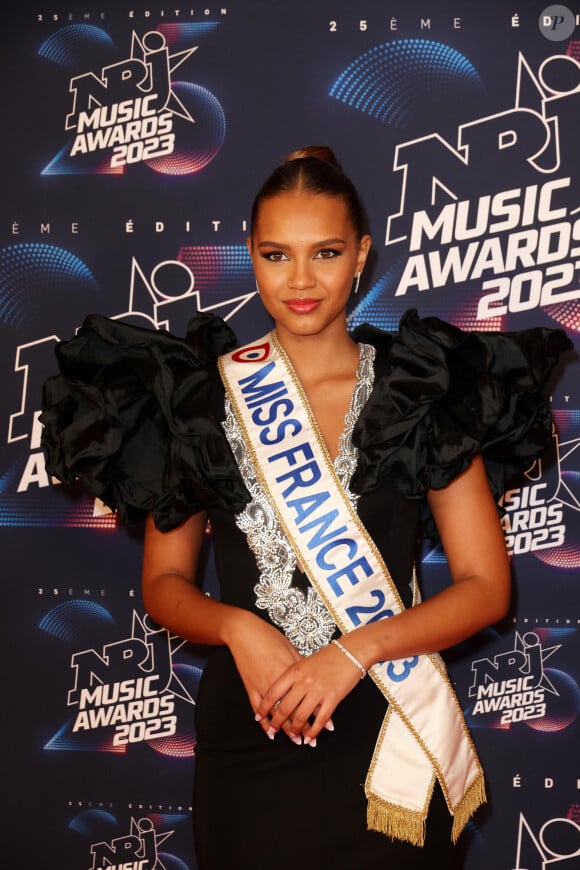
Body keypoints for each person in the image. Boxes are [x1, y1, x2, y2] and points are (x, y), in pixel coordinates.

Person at [41, 146, 571, 870]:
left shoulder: (424, 388)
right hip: (251, 733)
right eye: (275, 254)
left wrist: (353, 653)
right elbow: (164, 586)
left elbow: (485, 588)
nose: (299, 280)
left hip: (388, 725)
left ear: (361, 254)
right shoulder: (200, 398)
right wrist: (236, 627)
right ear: (251, 257)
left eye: (324, 252)